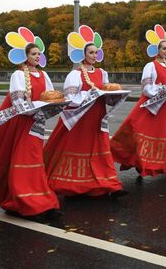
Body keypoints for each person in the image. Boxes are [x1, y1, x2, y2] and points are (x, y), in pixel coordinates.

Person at [0, 27, 61, 220]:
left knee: (35, 161)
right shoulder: (18, 75)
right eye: (33, 54)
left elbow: (52, 97)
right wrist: (36, 111)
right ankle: (24, 202)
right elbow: (18, 101)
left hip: (37, 123)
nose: (37, 56)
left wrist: (54, 107)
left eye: (39, 54)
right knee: (24, 161)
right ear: (25, 57)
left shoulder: (44, 75)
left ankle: (38, 200)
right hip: (24, 123)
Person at [43, 25, 126, 197]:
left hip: (97, 117)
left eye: (96, 53)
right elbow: (70, 98)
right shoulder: (75, 74)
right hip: (80, 118)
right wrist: (91, 93)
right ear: (83, 54)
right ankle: (75, 187)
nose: (94, 56)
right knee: (79, 150)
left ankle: (110, 184)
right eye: (91, 53)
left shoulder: (102, 73)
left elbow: (107, 96)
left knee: (100, 149)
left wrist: (114, 96)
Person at [110, 24, 166, 182]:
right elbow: (146, 88)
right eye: (164, 48)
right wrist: (163, 90)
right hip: (151, 107)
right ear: (157, 50)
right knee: (144, 137)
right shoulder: (150, 66)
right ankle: (144, 163)